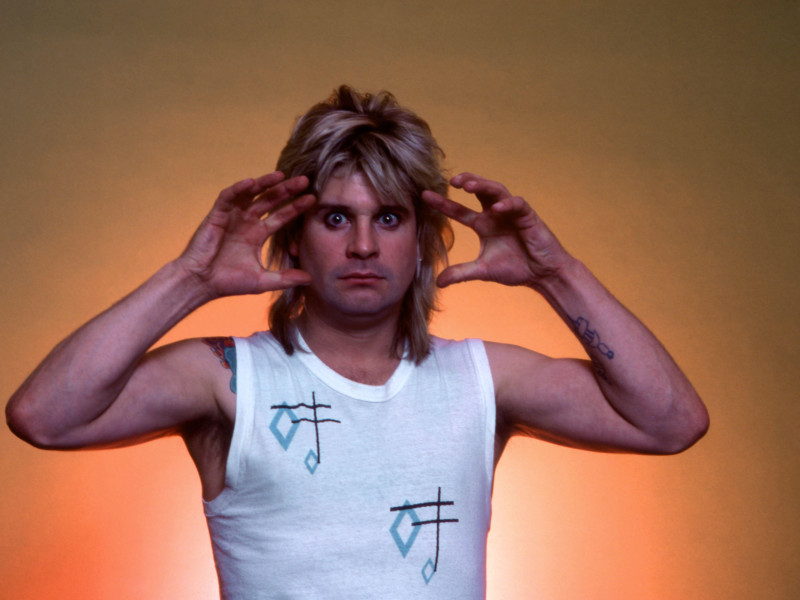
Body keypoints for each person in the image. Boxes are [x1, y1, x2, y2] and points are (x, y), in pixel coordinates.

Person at [6, 86, 708, 599]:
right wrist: (190, 279)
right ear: (295, 231)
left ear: (425, 239)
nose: (364, 244)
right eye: (338, 216)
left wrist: (557, 273)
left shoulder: (480, 381)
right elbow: (43, 416)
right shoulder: (227, 379)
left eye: (391, 217)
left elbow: (672, 422)